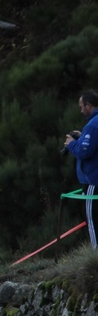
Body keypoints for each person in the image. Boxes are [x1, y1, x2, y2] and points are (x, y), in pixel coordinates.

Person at [64, 90, 98, 248]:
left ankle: (94, 257)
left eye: (81, 106)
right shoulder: (92, 125)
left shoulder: (92, 125)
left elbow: (83, 152)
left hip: (92, 182)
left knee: (92, 220)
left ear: (89, 106)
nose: (80, 110)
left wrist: (71, 144)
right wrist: (82, 136)